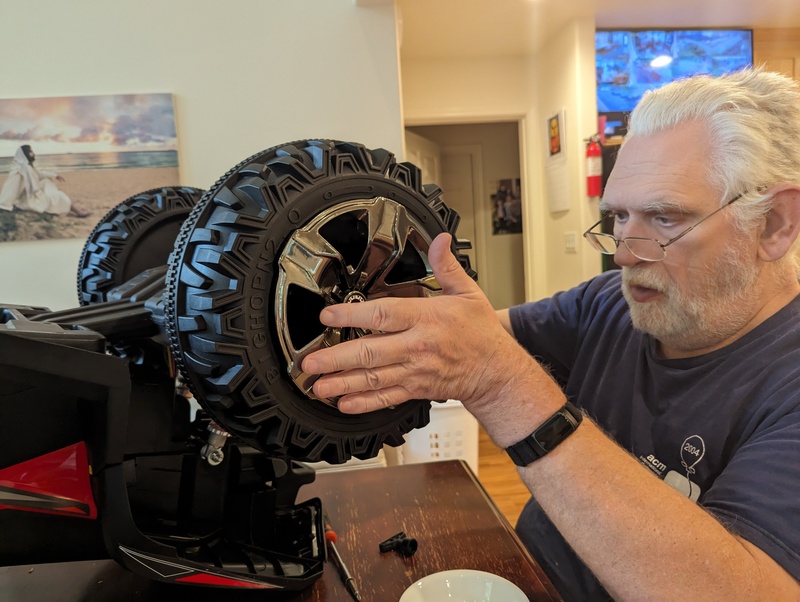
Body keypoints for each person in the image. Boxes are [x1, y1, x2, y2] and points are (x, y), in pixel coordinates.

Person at [300, 68, 800, 600]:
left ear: (773, 224)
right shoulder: (609, 304)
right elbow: (461, 342)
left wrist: (503, 386)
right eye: (620, 218)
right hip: (525, 576)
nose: (626, 254)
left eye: (665, 219)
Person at [0, 145, 91, 218]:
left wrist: (55, 175)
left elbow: (39, 174)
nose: (33, 154)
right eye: (31, 152)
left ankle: (73, 208)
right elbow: (10, 189)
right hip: (28, 199)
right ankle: (77, 211)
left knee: (46, 182)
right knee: (59, 195)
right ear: (25, 154)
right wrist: (5, 204)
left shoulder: (28, 166)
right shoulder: (20, 170)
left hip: (31, 194)